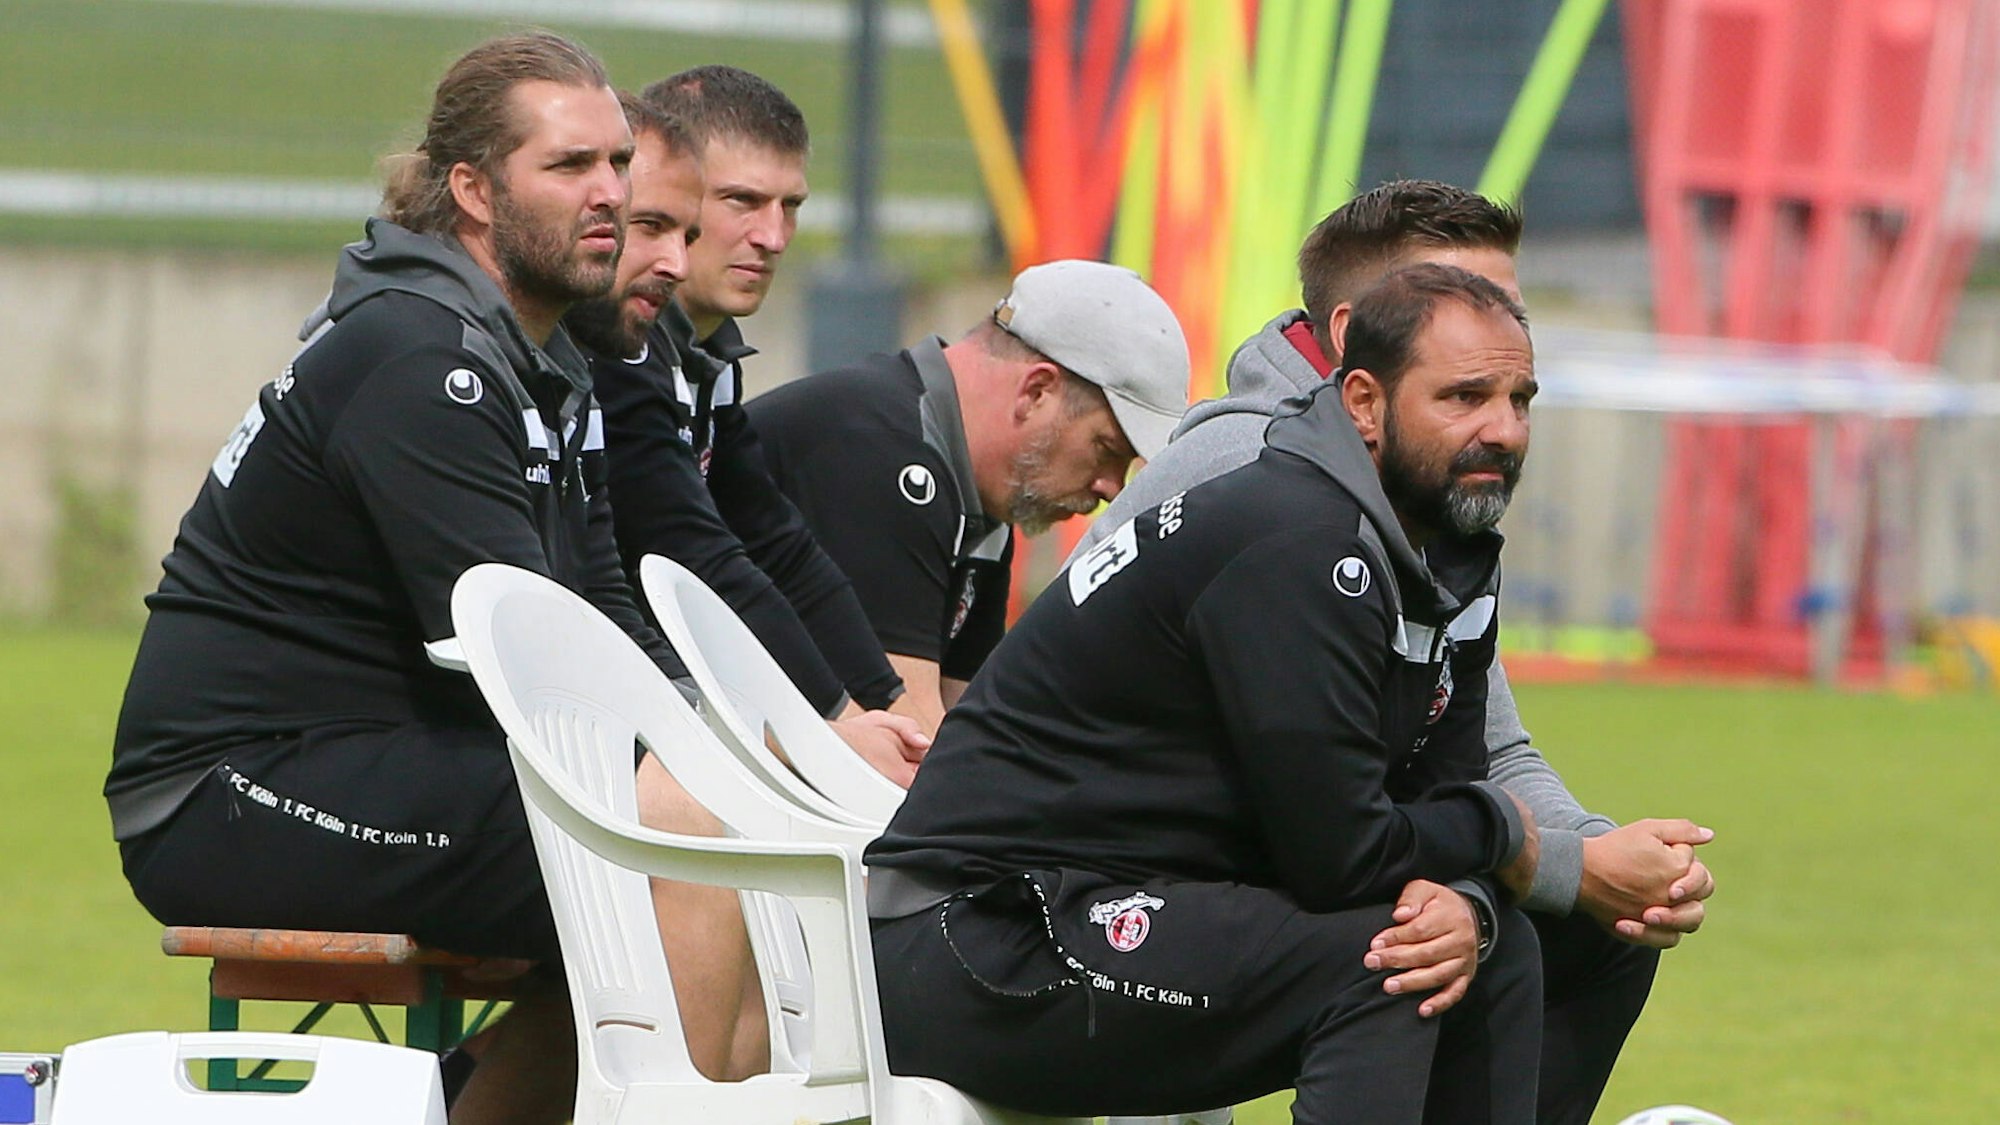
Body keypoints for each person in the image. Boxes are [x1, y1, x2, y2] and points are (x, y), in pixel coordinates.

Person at [101, 35, 871, 1120]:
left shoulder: (548, 364)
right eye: (569, 169)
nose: (608, 195)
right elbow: (529, 673)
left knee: (731, 825)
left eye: (617, 164)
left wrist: (732, 746)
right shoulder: (423, 360)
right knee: (692, 834)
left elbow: (604, 610)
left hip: (398, 759)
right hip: (237, 791)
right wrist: (697, 773)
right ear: (470, 190)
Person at [1067, 179, 1714, 1124]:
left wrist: (1602, 855)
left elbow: (1487, 748)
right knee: (1450, 934)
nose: (1500, 345)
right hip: (1127, 894)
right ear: (1354, 342)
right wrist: (1540, 867)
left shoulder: (1421, 482)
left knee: (1584, 929)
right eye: (1464, 316)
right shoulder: (1254, 481)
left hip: (1283, 856)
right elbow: (1315, 815)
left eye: (1509, 317)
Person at [868, 264, 1554, 1123]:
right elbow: (1341, 854)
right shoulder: (1296, 538)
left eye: (1520, 399)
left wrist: (1473, 898)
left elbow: (1432, 798)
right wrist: (1500, 832)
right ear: (1366, 404)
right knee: (1383, 962)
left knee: (1495, 949)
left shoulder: (1444, 555)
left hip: (1103, 900)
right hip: (976, 935)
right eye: (1464, 397)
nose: (1503, 429)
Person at [747, 259, 1191, 734]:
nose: (1111, 487)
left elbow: (967, 726)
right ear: (1036, 391)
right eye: (1106, 449)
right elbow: (910, 741)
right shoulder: (885, 452)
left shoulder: (980, 497)